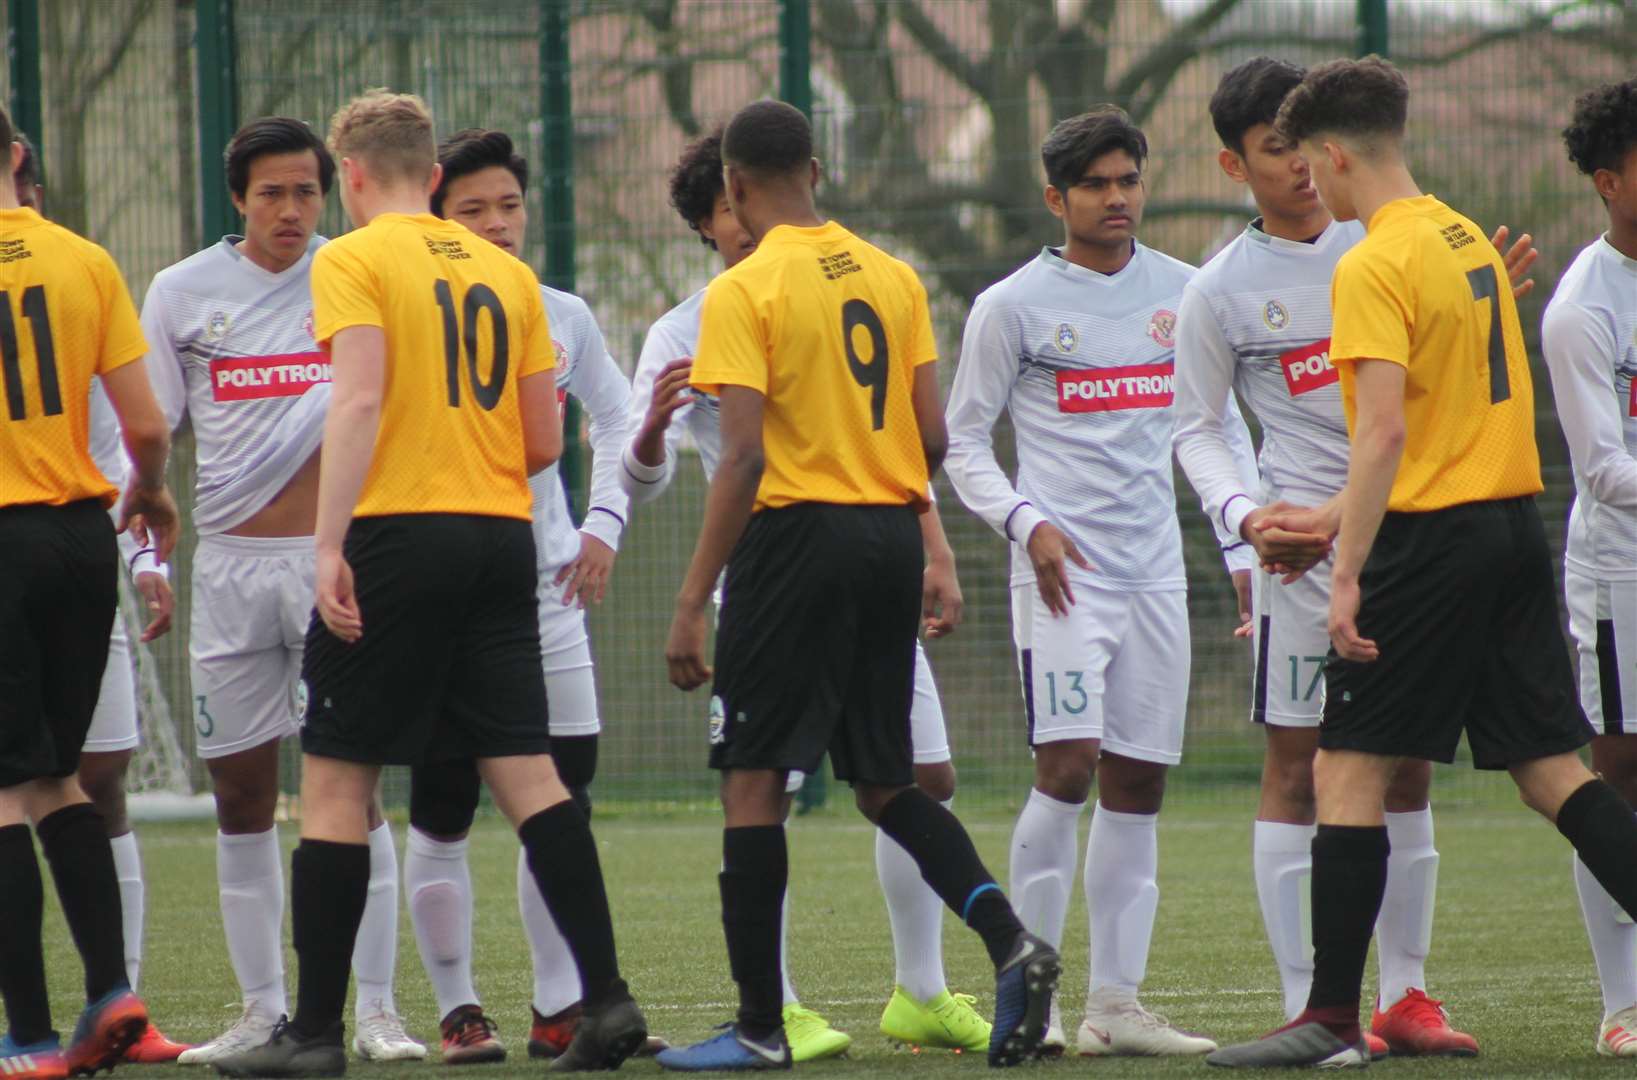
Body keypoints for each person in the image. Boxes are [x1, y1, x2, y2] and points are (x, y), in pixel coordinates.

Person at [1207, 55, 1637, 1069]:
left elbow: (1384, 439)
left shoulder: (1369, 262)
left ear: (1333, 153)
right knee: (1551, 775)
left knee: (1345, 772)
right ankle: (1332, 1009)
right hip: (1506, 534)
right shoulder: (1463, 242)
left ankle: (1322, 1016)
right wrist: (1325, 519)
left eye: (1315, 163)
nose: (1317, 182)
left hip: (1425, 550)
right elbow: (1441, 430)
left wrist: (1344, 568)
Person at [212, 89, 647, 1078]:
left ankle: (314, 1035)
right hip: (502, 542)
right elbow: (545, 440)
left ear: (351, 175)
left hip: (400, 536)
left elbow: (358, 395)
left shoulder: (353, 259)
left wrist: (329, 545)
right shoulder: (506, 271)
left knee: (334, 781)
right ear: (436, 176)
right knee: (531, 776)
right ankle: (610, 1003)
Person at [655, 99, 1056, 1073]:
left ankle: (758, 1027)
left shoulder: (742, 291)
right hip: (887, 533)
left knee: (752, 782)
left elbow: (741, 457)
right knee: (884, 779)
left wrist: (686, 599)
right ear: (818, 169)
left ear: (736, 188)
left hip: (794, 540)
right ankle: (1011, 939)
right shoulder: (891, 274)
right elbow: (927, 436)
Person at [1172, 57, 1535, 1058]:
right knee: (1300, 769)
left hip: (1408, 536)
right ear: (1232, 162)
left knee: (1404, 768)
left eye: (1301, 144)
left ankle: (1403, 999)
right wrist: (1246, 518)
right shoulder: (1220, 290)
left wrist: (1476, 303)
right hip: (1301, 557)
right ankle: (1311, 1007)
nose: (1294, 166)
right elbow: (1194, 428)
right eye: (1269, 150)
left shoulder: (1384, 240)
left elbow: (1422, 384)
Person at [945, 106, 1253, 1057]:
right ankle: (1027, 993)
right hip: (1062, 582)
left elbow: (1218, 424)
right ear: (1056, 198)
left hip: (1157, 576)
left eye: (1128, 180)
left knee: (1140, 781)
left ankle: (1115, 1008)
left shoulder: (1187, 293)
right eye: (1094, 185)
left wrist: (1241, 546)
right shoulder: (1012, 305)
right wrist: (1026, 524)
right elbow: (961, 443)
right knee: (1067, 765)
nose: (1115, 198)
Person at [140, 117, 419, 1064]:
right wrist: (147, 556)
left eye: (307, 190)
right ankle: (261, 1011)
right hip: (224, 566)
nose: (293, 211)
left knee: (351, 789)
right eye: (273, 193)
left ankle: (377, 1012)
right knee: (241, 795)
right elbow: (153, 435)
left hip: (330, 563)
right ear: (237, 197)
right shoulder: (180, 293)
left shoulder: (357, 272)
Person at [404, 126, 664, 1063]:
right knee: (440, 800)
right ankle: (457, 1008)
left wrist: (601, 528)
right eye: (471, 209)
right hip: (439, 586)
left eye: (507, 205)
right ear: (434, 217)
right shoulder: (402, 307)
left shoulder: (562, 314)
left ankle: (562, 1006)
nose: (496, 223)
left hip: (544, 591)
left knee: (563, 794)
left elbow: (623, 416)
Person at [0, 99, 180, 1079]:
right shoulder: (85, 259)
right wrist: (147, 492)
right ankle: (114, 995)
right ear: (19, 156)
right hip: (79, 534)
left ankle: (26, 1037)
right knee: (58, 779)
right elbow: (147, 428)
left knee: (0, 793)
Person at [1543, 77, 1637, 1060]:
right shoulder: (1581, 308)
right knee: (1617, 782)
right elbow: (1603, 471)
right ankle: (1623, 1005)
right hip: (1621, 579)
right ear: (1608, 181)